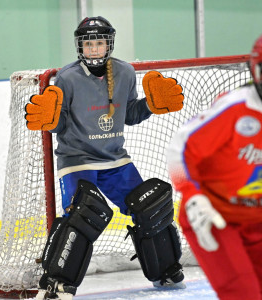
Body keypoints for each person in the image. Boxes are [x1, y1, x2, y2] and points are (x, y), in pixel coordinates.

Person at [25, 16, 185, 300]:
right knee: (82, 214)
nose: (94, 49)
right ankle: (56, 282)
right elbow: (61, 123)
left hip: (115, 160)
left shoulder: (124, 72)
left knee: (149, 208)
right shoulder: (67, 77)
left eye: (99, 43)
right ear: (80, 47)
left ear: (108, 44)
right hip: (77, 160)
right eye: (89, 44)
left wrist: (150, 105)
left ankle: (166, 270)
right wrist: (51, 121)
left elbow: (130, 114)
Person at [166, 33, 262, 300]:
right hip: (214, 217)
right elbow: (181, 150)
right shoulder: (234, 108)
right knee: (242, 294)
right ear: (260, 73)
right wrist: (193, 197)